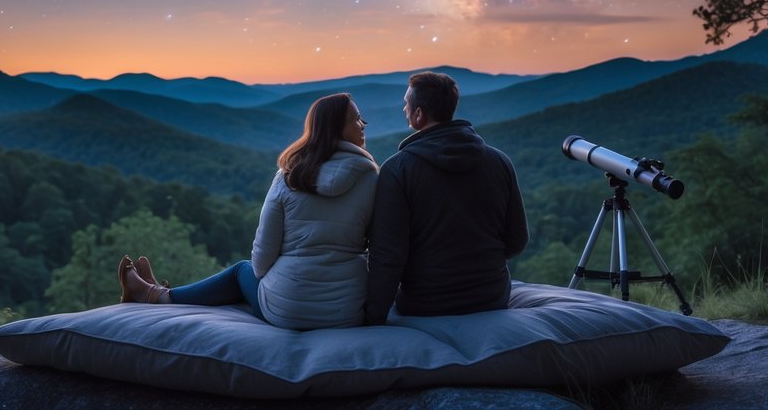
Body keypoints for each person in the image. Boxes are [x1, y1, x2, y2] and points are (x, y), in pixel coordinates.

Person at [119, 92, 379, 330]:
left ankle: (157, 295)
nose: (363, 124)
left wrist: (283, 283)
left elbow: (261, 261)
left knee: (240, 271)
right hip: (345, 312)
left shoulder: (288, 177)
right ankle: (156, 293)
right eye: (356, 119)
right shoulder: (373, 179)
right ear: (337, 129)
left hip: (287, 311)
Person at [363, 70, 528, 325]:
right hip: (492, 297)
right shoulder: (499, 161)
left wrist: (372, 318)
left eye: (406, 104)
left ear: (419, 115)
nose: (403, 108)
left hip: (426, 303)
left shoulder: (398, 170)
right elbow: (516, 241)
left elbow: (388, 256)